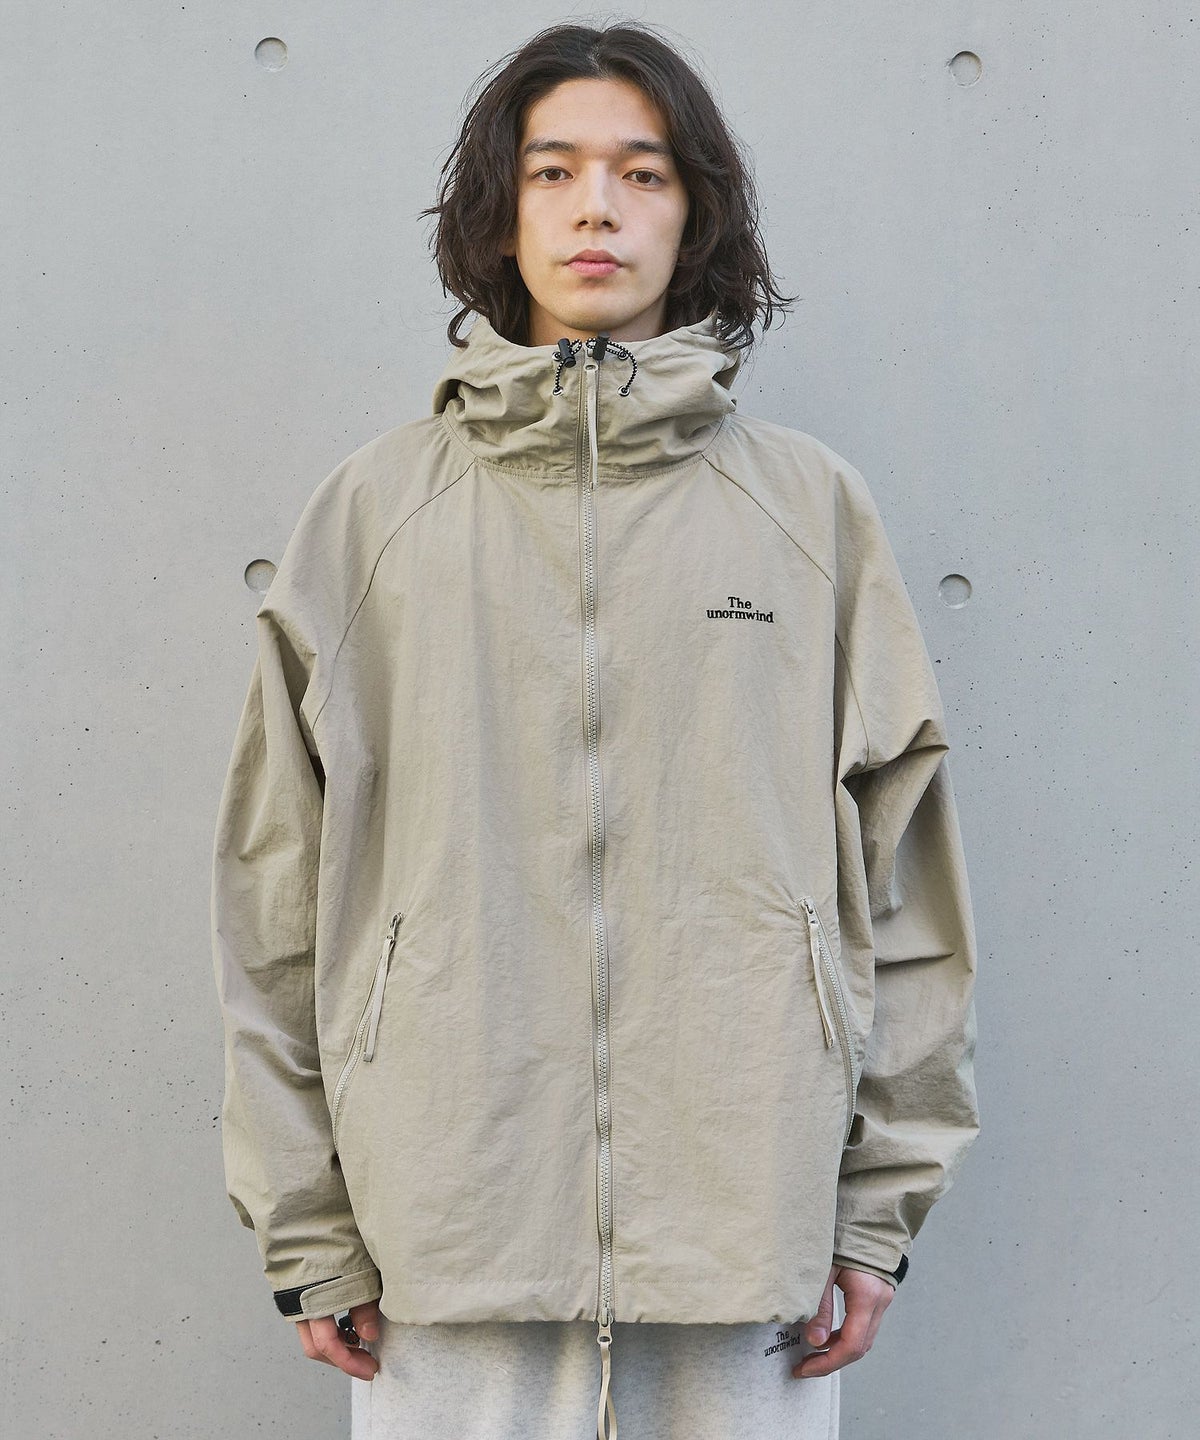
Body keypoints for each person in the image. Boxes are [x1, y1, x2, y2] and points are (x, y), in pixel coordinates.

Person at [210, 19, 980, 1440]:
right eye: (553, 171)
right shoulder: (373, 516)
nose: (597, 210)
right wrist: (307, 1223)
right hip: (444, 1236)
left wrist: (874, 1214)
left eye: (643, 172)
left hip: (744, 1235)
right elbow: (274, 893)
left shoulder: (810, 514)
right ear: (500, 212)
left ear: (695, 215)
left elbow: (906, 885)